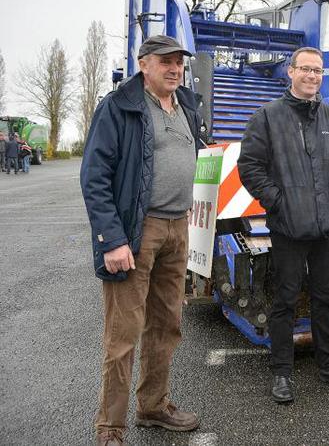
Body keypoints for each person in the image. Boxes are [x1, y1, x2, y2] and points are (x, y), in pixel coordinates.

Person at [81, 35, 203, 446]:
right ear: (143, 64)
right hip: (136, 231)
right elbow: (94, 178)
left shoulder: (187, 105)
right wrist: (111, 239)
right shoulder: (119, 107)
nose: (174, 69)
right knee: (123, 332)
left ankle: (153, 405)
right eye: (165, 61)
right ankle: (110, 426)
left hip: (177, 227)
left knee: (167, 324)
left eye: (179, 63)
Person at [237, 46, 329, 403]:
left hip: (327, 227)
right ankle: (281, 373)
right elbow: (250, 167)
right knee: (285, 299)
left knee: (326, 297)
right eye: (305, 69)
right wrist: (279, 201)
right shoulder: (267, 117)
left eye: (318, 71)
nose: (312, 76)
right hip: (289, 226)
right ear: (290, 72)